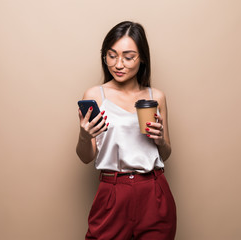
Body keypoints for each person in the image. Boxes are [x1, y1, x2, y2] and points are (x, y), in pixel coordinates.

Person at [76, 21, 176, 240]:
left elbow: (166, 154)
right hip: (112, 190)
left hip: (154, 190)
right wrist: (85, 136)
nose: (118, 64)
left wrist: (160, 140)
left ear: (142, 59)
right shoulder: (95, 95)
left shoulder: (155, 97)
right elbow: (86, 157)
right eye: (112, 55)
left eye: (128, 57)